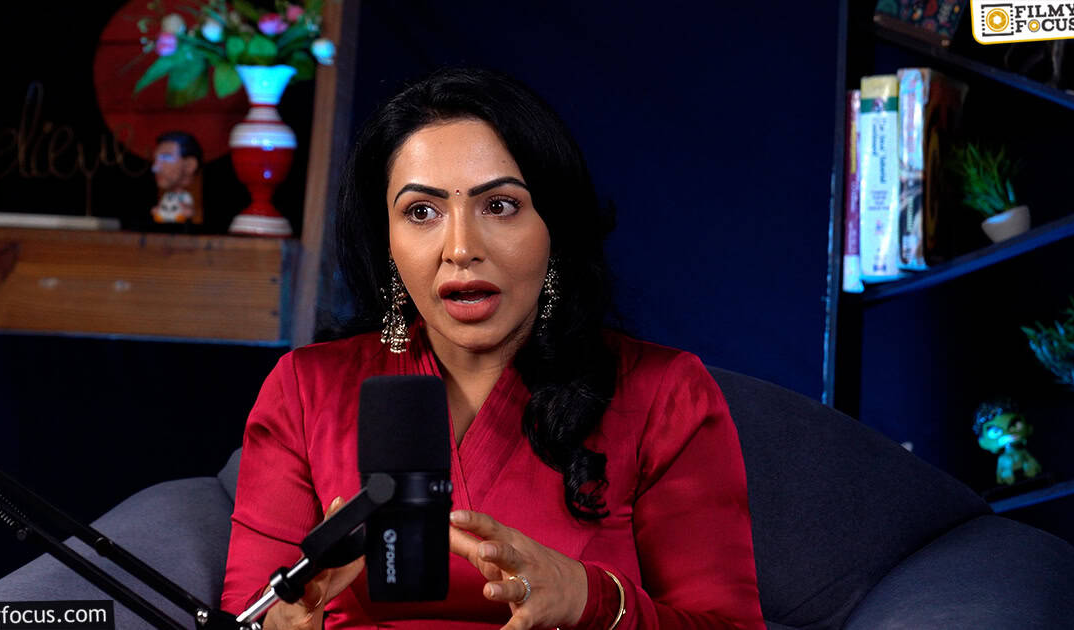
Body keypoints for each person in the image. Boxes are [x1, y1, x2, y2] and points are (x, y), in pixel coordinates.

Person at [221, 68, 764, 630]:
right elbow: (243, 618)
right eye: (422, 212)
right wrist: (287, 620)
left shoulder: (665, 395)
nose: (461, 248)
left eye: (500, 206)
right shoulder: (306, 389)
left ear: (555, 227)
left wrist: (590, 598)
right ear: (386, 241)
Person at [150, 131, 202, 225]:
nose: (155, 167)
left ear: (190, 165)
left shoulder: (185, 196)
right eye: (155, 159)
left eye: (165, 158)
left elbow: (189, 212)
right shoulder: (167, 196)